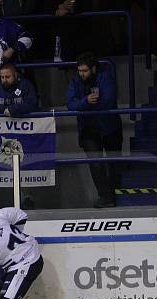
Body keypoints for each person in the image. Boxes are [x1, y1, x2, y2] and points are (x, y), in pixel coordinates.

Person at [66, 52, 122, 208]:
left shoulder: (106, 78)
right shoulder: (75, 80)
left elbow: (108, 102)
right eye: (79, 71)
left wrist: (84, 104)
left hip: (110, 127)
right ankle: (105, 196)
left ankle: (114, 193)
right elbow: (70, 104)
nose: (81, 74)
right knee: (95, 163)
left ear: (94, 68)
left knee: (113, 162)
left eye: (85, 71)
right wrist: (86, 101)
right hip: (88, 129)